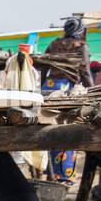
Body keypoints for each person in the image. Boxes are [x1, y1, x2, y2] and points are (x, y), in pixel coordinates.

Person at [41, 18, 92, 182]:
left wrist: (43, 87)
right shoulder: (81, 46)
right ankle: (63, 175)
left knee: (49, 130)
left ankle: (51, 173)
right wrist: (91, 91)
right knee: (66, 131)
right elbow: (85, 72)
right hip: (65, 90)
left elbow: (43, 66)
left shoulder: (54, 44)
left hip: (49, 88)